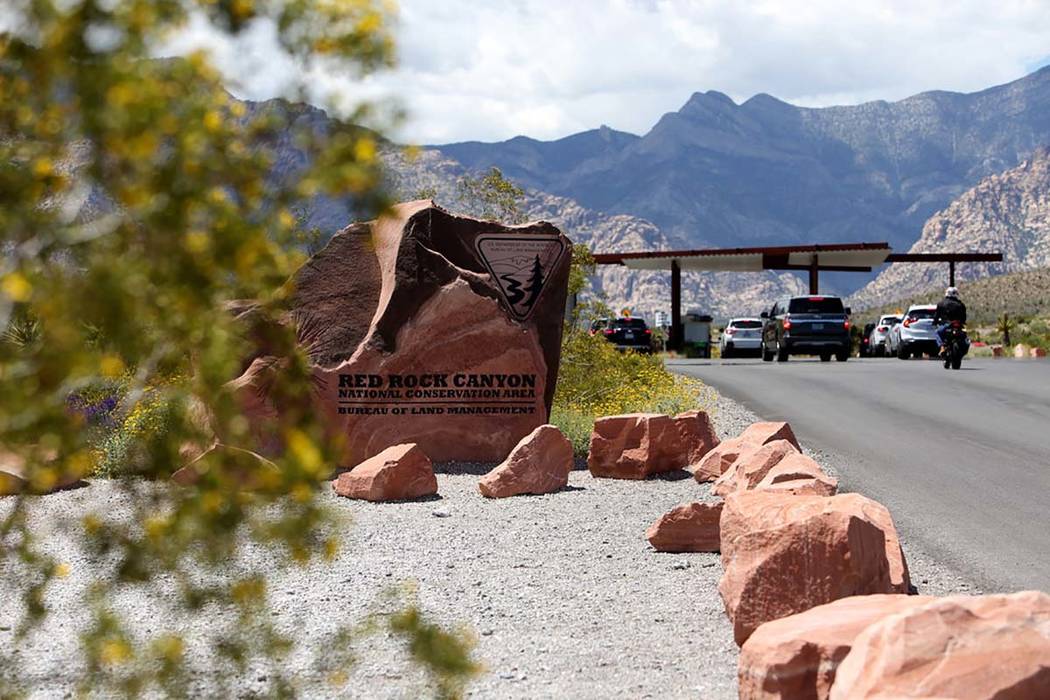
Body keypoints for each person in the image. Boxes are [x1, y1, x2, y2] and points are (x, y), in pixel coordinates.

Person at [934, 286, 967, 355]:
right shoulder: (960, 304)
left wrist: (935, 322)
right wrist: (962, 322)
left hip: (946, 324)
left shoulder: (941, 304)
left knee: (937, 332)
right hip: (958, 324)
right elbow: (964, 316)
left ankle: (942, 347)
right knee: (964, 335)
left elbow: (937, 316)